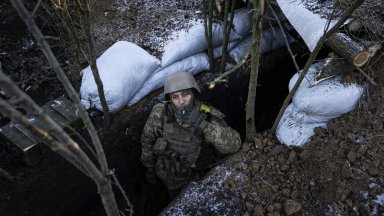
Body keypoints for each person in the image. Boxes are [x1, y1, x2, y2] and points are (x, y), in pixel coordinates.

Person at [141, 71, 241, 197]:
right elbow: (147, 140)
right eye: (175, 97)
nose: (181, 101)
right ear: (169, 99)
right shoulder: (160, 113)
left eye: (185, 94)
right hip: (171, 176)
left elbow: (233, 146)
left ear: (193, 93)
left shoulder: (207, 115)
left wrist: (203, 124)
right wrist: (148, 167)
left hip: (201, 179)